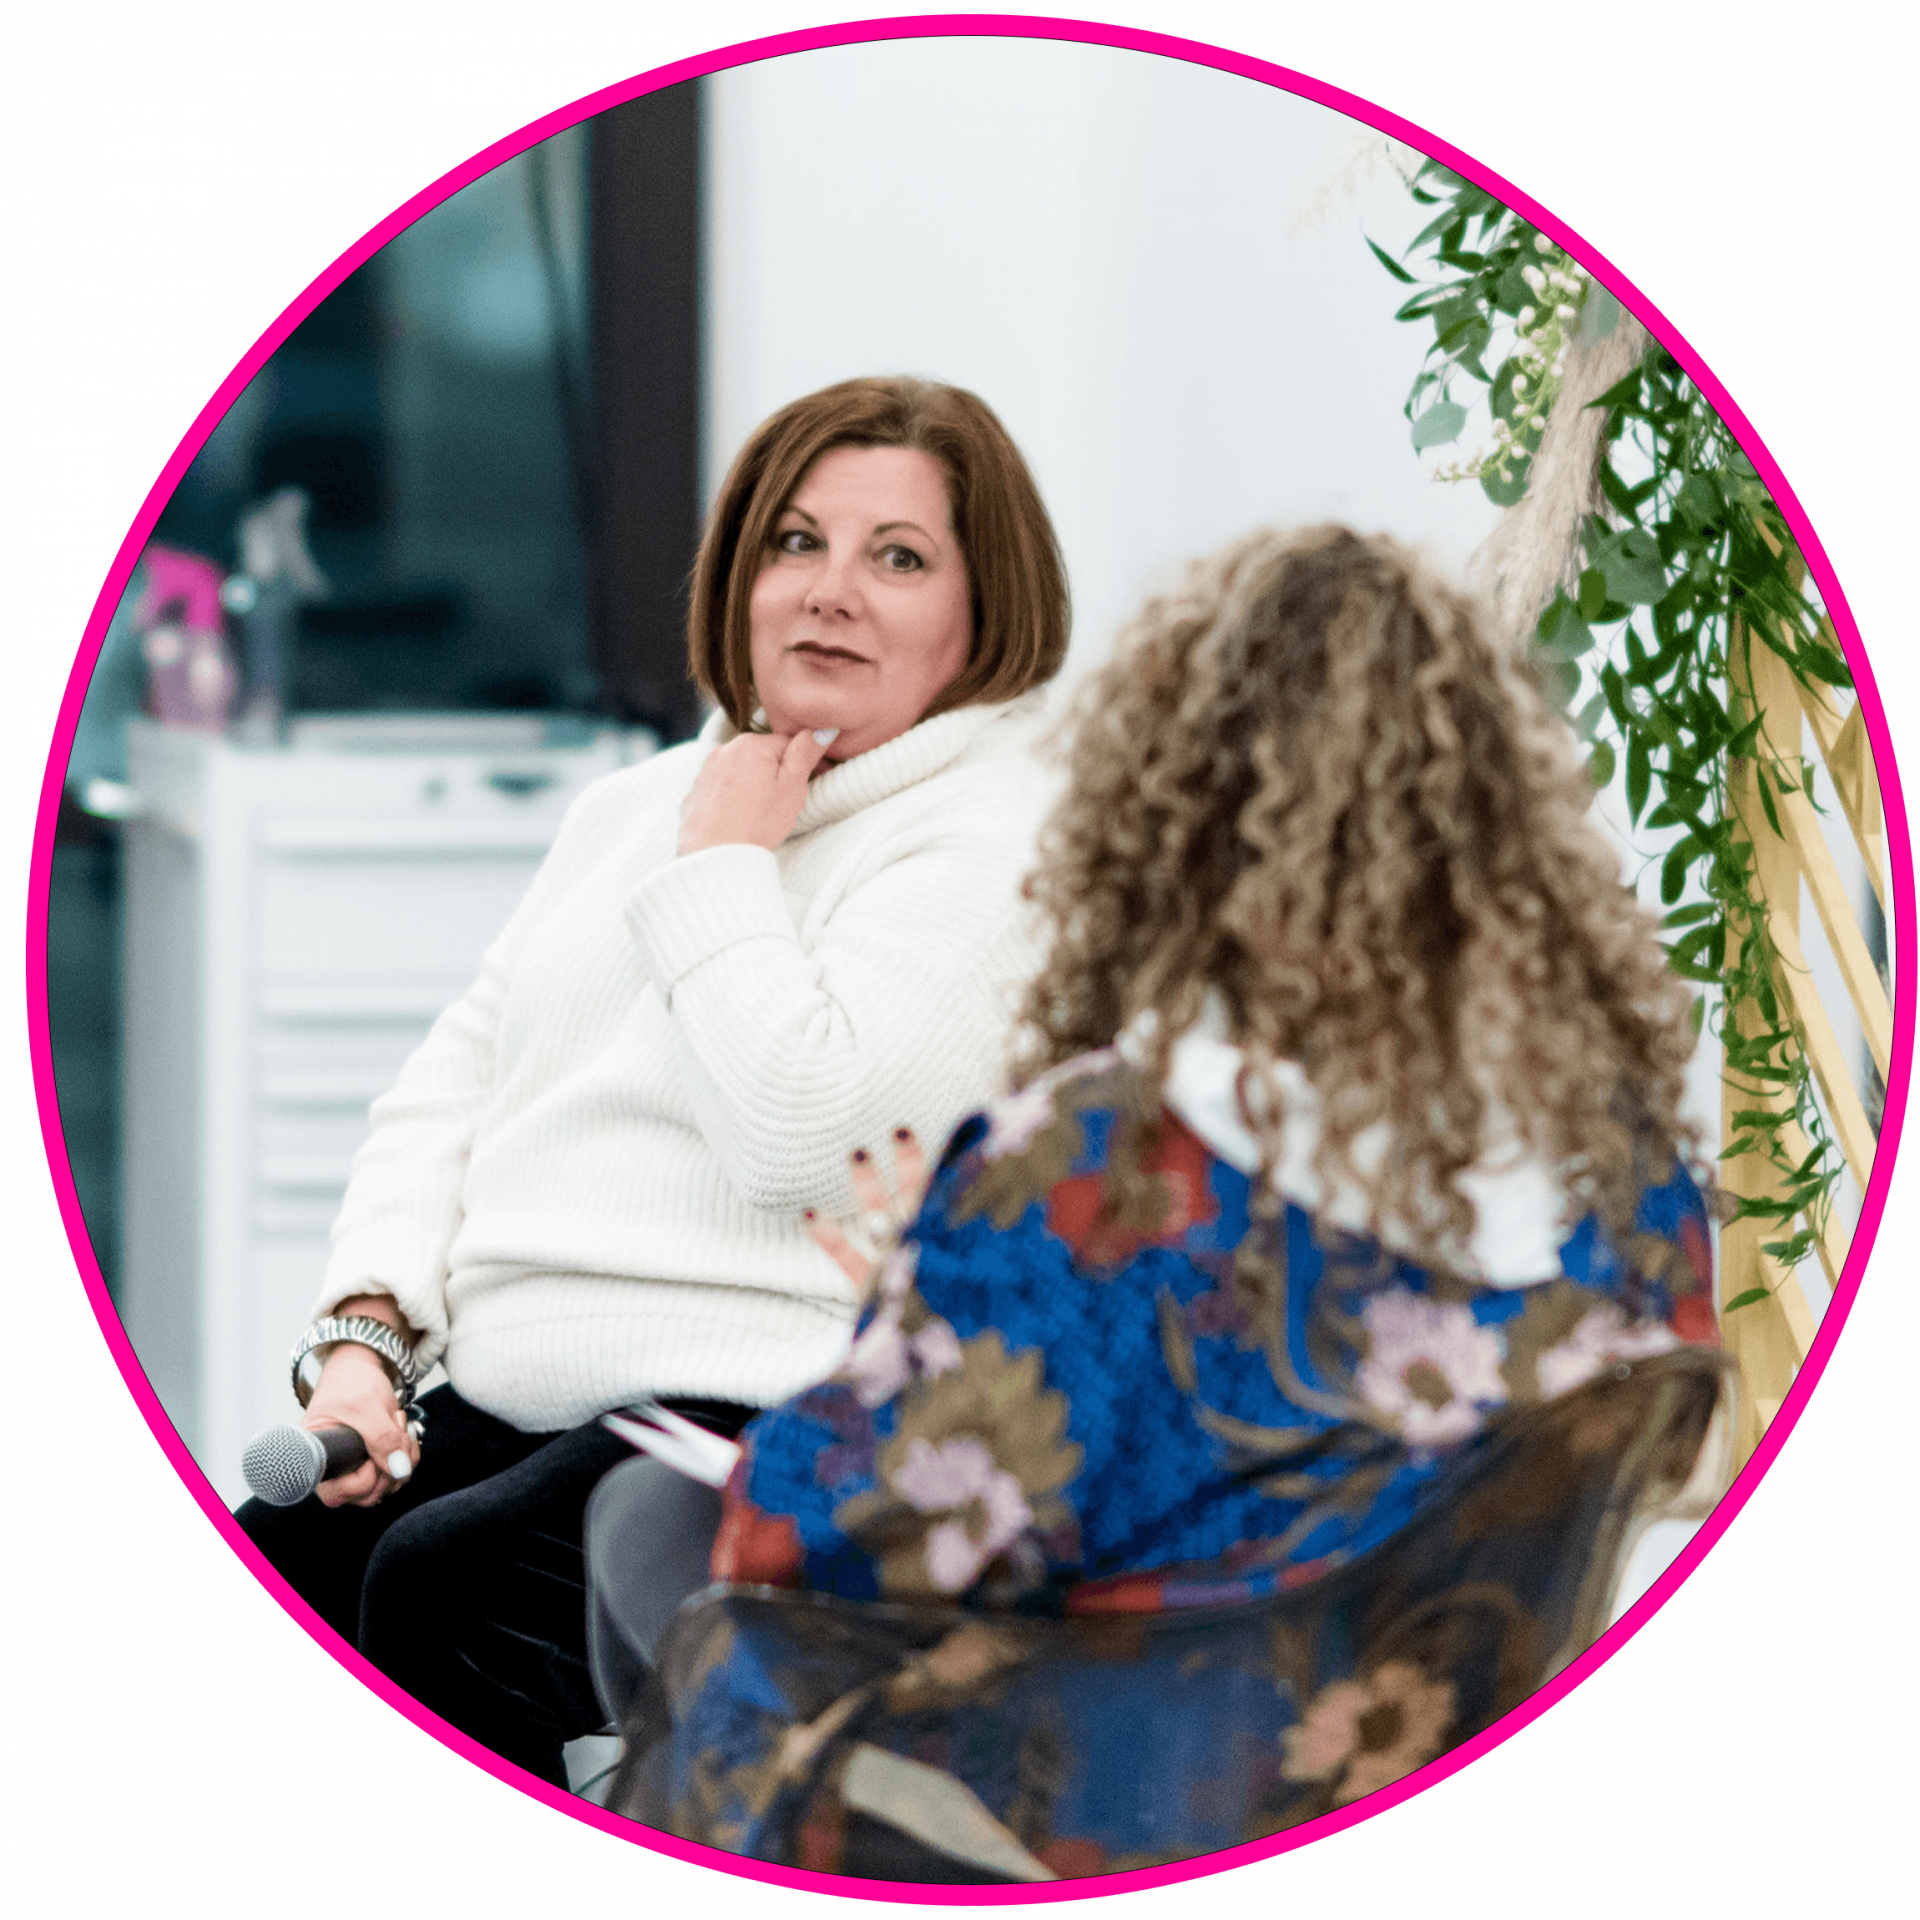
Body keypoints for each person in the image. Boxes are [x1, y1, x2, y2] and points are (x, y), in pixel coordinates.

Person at [584, 524, 1731, 1867]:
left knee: (643, 1519)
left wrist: (920, 1305)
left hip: (1107, 1801)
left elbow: (813, 1542)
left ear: (1163, 812)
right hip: (1410, 1749)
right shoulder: (1629, 1176)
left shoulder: (1107, 1161)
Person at [234, 376, 1071, 1790]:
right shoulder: (637, 805)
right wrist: (369, 1340)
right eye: (796, 542)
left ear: (984, 615)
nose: (831, 591)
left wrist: (724, 866)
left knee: (446, 1587)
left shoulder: (996, 839)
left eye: (899, 557)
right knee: (289, 1555)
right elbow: (454, 1090)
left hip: (771, 1415)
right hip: (516, 1395)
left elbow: (799, 1134)